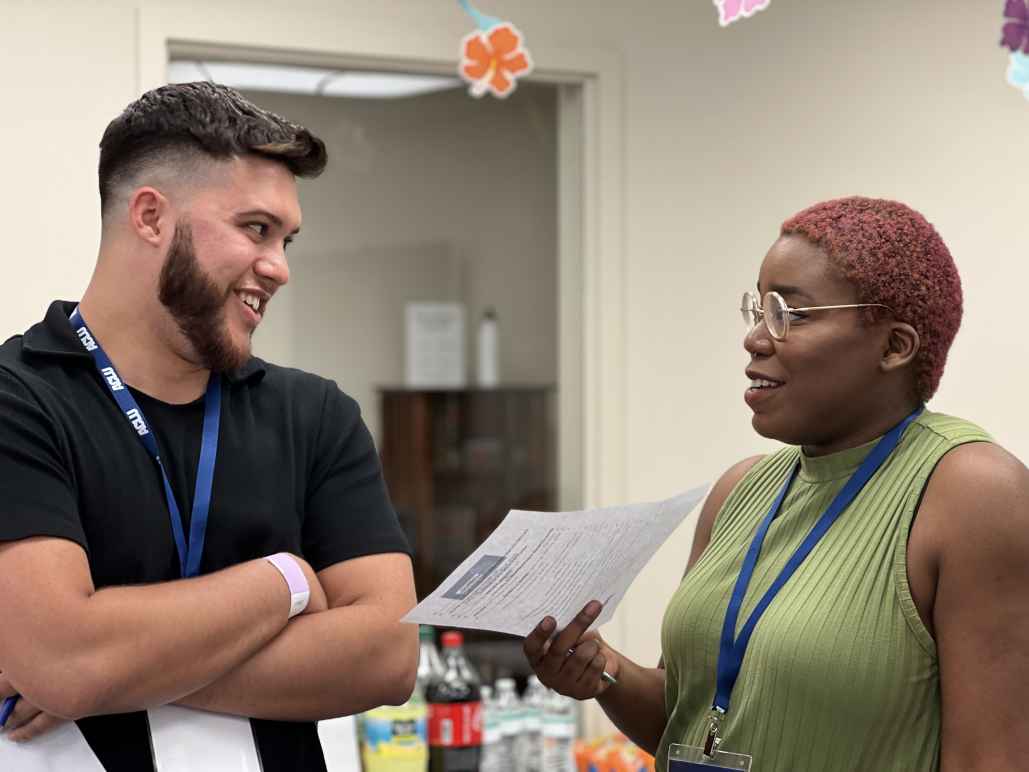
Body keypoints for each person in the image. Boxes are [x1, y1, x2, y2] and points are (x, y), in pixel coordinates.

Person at [522, 197, 1029, 770]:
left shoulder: (974, 495)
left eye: (792, 313)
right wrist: (602, 672)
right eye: (759, 310)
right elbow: (691, 720)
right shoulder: (740, 490)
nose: (757, 338)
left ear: (894, 346)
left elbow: (993, 757)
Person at [0, 82, 418, 770]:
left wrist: (113, 673)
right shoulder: (19, 400)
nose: (279, 268)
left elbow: (386, 657)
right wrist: (286, 582)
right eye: (255, 228)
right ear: (150, 216)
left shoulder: (315, 416)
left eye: (286, 240)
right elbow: (65, 660)